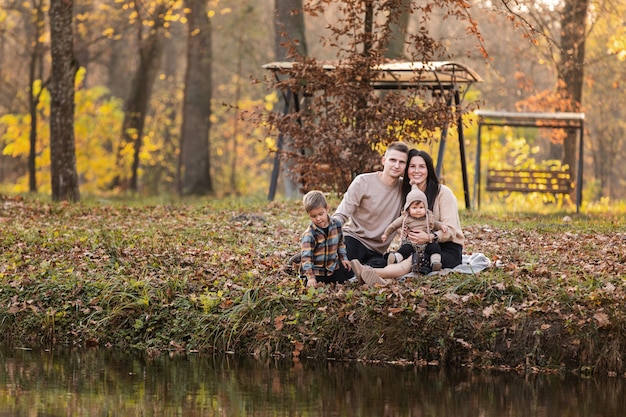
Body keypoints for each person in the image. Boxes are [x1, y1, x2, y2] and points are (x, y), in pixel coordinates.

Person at [351, 149, 465, 286]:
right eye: (412, 166)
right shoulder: (407, 194)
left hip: (445, 248)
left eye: (422, 167)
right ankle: (382, 279)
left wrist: (430, 237)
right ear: (406, 170)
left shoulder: (443, 193)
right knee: (399, 256)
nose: (417, 171)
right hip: (416, 245)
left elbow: (451, 230)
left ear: (428, 169)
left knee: (414, 259)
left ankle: (373, 273)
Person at [332, 141, 410, 268]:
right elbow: (342, 213)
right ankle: (307, 259)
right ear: (384, 160)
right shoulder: (363, 182)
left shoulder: (406, 190)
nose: (396, 165)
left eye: (402, 162)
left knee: (379, 267)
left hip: (377, 251)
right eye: (392, 160)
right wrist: (326, 230)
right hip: (354, 239)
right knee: (341, 269)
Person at [381, 185, 448, 274]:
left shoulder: (428, 217)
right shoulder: (405, 218)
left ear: (425, 207)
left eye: (421, 208)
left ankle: (435, 262)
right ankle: (395, 258)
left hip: (426, 244)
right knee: (405, 249)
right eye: (414, 208)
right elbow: (393, 226)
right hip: (411, 243)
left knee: (434, 247)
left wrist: (442, 226)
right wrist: (386, 234)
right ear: (408, 208)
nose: (418, 211)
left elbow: (435, 224)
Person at [299, 190, 352, 288]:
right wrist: (311, 277)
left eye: (320, 214)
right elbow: (307, 258)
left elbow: (340, 243)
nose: (318, 219)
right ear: (308, 214)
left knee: (347, 275)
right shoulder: (309, 234)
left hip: (332, 268)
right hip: (316, 271)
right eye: (313, 216)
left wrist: (343, 258)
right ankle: (302, 267)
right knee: (312, 285)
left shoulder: (337, 225)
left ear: (327, 208)